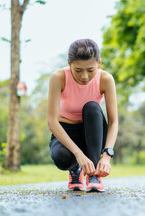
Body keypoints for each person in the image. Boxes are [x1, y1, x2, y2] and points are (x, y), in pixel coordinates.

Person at [47, 39, 118, 192]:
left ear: (99, 63)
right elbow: (52, 122)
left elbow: (113, 122)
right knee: (61, 158)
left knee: (92, 107)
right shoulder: (58, 77)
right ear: (68, 63)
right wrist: (78, 155)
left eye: (91, 70)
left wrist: (106, 155)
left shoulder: (106, 79)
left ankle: (93, 176)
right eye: (78, 70)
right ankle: (75, 170)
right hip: (66, 130)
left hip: (94, 131)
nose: (84, 76)